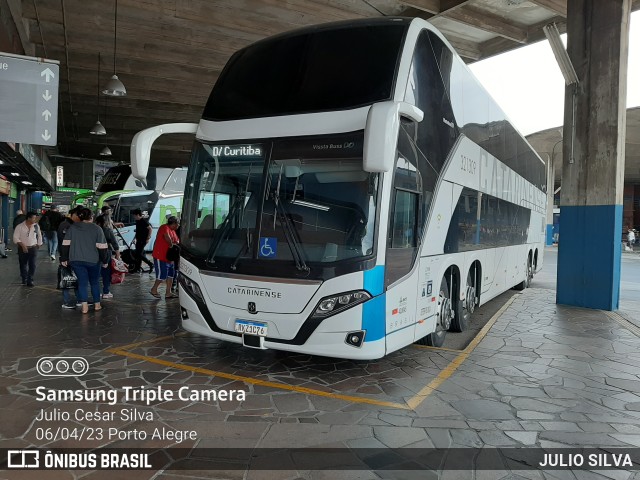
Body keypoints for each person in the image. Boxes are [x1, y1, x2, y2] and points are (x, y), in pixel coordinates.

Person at [60, 208, 108, 314]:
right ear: (92, 217)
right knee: (94, 283)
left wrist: (64, 258)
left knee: (82, 283)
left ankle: (84, 307)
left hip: (76, 260)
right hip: (93, 261)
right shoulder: (97, 229)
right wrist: (105, 261)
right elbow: (102, 247)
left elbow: (65, 244)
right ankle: (97, 305)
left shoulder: (72, 228)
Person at [150, 216, 179, 299]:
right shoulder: (164, 227)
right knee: (162, 275)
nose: (178, 226)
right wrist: (171, 246)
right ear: (173, 223)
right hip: (161, 256)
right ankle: (154, 289)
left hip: (170, 258)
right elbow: (167, 237)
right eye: (177, 224)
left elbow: (177, 241)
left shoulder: (173, 231)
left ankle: (168, 292)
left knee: (171, 275)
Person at [58, 207, 81, 309]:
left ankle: (79, 299)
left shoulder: (72, 225)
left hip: (74, 256)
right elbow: (65, 244)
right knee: (67, 278)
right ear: (73, 215)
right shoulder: (66, 225)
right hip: (67, 257)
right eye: (79, 215)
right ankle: (66, 301)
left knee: (77, 278)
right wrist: (64, 258)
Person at [12, 211, 43, 286]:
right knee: (23, 264)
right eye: (34, 218)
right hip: (22, 248)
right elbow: (15, 238)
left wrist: (39, 244)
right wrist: (23, 246)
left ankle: (30, 279)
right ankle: (24, 278)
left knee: (32, 264)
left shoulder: (36, 226)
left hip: (33, 248)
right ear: (29, 218)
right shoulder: (20, 226)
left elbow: (39, 235)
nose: (35, 220)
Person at [95, 214, 121, 299]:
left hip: (95, 253)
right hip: (107, 252)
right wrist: (117, 254)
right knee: (106, 273)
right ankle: (106, 292)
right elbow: (114, 243)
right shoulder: (108, 230)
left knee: (97, 273)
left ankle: (96, 292)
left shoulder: (94, 230)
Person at [131, 208, 154, 273]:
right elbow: (138, 231)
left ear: (138, 215)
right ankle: (137, 268)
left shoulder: (143, 221)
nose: (134, 217)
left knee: (139, 254)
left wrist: (148, 238)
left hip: (143, 239)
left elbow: (150, 229)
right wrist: (135, 238)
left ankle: (150, 264)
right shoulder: (137, 221)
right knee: (138, 254)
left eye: (134, 216)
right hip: (139, 239)